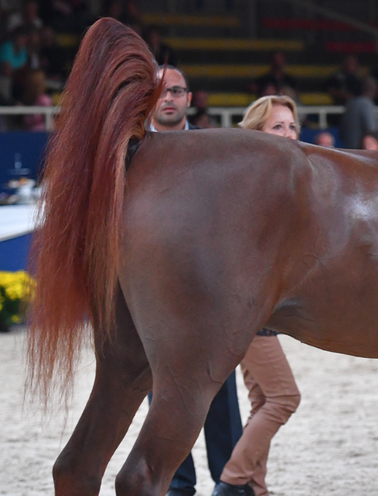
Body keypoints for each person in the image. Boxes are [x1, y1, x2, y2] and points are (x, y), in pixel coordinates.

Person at [147, 67, 245, 496]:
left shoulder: (214, 149)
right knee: (162, 391)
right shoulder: (129, 148)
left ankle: (231, 478)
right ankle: (177, 483)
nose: (168, 98)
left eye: (176, 90)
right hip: (151, 288)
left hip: (212, 287)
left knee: (219, 384)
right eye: (159, 91)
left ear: (189, 98)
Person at [216, 95, 302, 496]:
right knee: (285, 398)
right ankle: (232, 483)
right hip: (245, 308)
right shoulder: (247, 184)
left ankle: (255, 487)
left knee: (263, 400)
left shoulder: (275, 180)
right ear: (256, 133)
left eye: (292, 126)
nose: (288, 134)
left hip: (261, 305)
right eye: (277, 126)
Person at [340, 76, 378, 149]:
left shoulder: (349, 103)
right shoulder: (366, 103)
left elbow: (341, 132)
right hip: (361, 150)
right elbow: (371, 129)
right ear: (373, 89)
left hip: (348, 148)